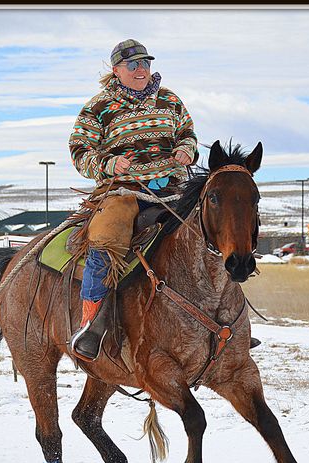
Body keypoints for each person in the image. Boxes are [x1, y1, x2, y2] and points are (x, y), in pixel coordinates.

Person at [68, 39, 198, 361]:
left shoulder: (169, 100)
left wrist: (187, 149)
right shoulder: (98, 107)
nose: (141, 70)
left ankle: (226, 322)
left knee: (212, 231)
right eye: (133, 65)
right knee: (105, 238)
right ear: (116, 70)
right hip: (124, 191)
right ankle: (93, 322)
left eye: (145, 64)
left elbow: (188, 133)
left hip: (172, 189)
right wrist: (108, 165)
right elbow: (79, 150)